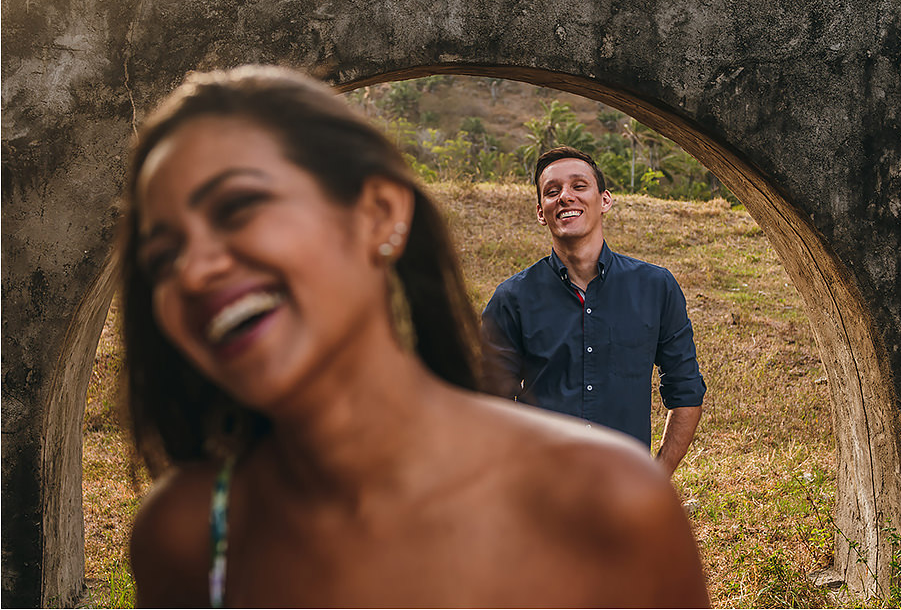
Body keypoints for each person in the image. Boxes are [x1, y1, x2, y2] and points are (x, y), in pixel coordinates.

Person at [120, 66, 709, 608]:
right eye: (163, 256)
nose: (194, 272)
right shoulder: (187, 536)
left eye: (239, 207)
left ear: (378, 213)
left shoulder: (617, 501)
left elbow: (684, 387)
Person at [481, 146, 706, 475]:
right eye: (552, 191)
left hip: (625, 487)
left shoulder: (656, 287)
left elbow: (685, 390)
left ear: (605, 200)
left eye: (579, 186)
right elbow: (489, 407)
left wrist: (656, 479)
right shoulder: (511, 298)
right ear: (541, 212)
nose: (565, 197)